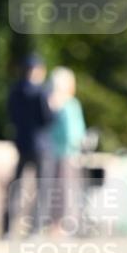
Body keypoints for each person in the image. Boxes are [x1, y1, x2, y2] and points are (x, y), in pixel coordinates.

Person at [1, 53, 54, 237]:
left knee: (16, 187)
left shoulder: (14, 91)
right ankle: (35, 230)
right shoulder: (41, 92)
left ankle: (7, 229)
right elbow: (47, 119)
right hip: (41, 147)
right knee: (42, 188)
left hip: (22, 143)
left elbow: (11, 116)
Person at [48, 67, 87, 234]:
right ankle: (63, 224)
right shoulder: (70, 104)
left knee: (56, 190)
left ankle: (55, 224)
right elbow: (74, 133)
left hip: (53, 153)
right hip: (68, 153)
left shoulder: (51, 102)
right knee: (66, 190)